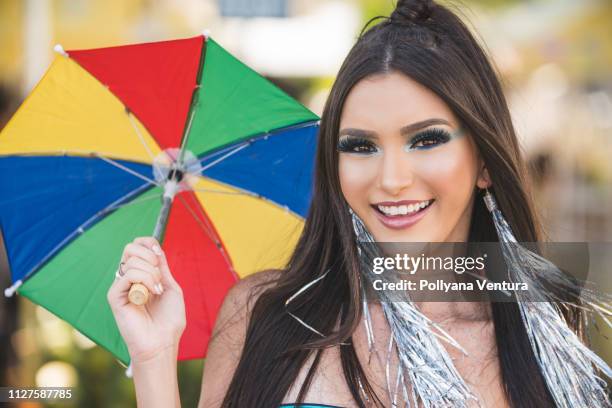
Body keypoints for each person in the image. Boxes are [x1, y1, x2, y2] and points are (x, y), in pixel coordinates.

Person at [107, 0, 607, 407]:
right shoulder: (267, 314)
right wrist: (154, 360)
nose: (391, 179)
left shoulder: (540, 324)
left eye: (426, 140)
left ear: (484, 161)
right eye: (360, 146)